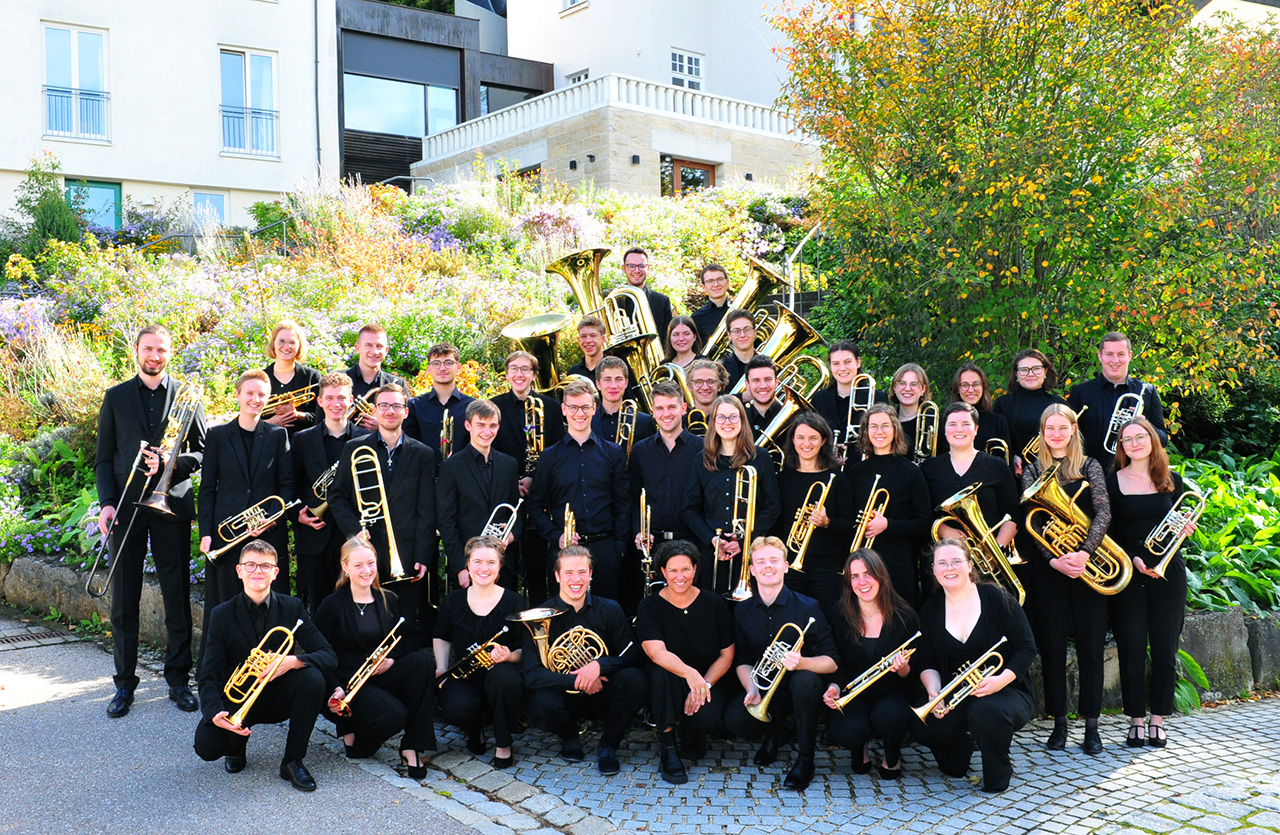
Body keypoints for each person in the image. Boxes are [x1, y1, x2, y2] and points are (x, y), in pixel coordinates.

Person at [94, 324, 206, 718]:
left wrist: (171, 467)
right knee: (124, 598)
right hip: (125, 509)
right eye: (148, 349)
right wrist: (107, 503)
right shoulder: (116, 397)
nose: (154, 356)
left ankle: (178, 680)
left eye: (161, 349)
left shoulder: (188, 396)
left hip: (169, 507)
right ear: (136, 351)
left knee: (176, 594)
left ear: (169, 352)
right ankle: (124, 685)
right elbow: (104, 458)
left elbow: (204, 453)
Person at [194, 540, 336, 792]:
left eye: (265, 566)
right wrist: (214, 711)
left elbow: (328, 655)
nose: (257, 571)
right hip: (238, 699)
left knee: (312, 678)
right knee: (207, 747)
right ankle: (235, 747)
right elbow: (208, 674)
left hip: (277, 696)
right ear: (239, 571)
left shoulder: (292, 608)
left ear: (275, 572)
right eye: (250, 565)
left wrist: (292, 661)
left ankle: (292, 761)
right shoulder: (221, 614)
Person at [1021, 403, 1112, 755]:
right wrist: (1055, 559)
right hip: (1050, 572)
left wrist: (1085, 552)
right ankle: (1059, 723)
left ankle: (1092, 727)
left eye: (1063, 428)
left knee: (1091, 649)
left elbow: (1103, 511)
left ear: (1073, 430)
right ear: (1042, 433)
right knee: (1053, 649)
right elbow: (1031, 520)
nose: (1056, 434)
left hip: (1087, 568)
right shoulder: (1032, 470)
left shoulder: (1090, 466)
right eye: (1050, 429)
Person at [914, 539, 1036, 794]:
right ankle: (963, 746)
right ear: (934, 570)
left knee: (986, 711)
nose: (950, 568)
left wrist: (1000, 680)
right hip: (955, 693)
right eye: (942, 563)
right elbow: (926, 662)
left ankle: (998, 771)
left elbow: (1026, 649)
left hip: (1005, 690)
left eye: (956, 561)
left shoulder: (997, 597)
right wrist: (934, 692)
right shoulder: (930, 610)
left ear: (970, 566)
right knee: (943, 752)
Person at [314, 537, 436, 779]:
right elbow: (319, 651)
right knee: (394, 717)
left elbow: (405, 639)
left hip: (381, 674)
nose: (366, 570)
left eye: (370, 563)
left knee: (423, 661)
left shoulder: (388, 599)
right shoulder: (332, 605)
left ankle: (412, 746)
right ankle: (352, 731)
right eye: (358, 565)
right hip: (349, 683)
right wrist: (336, 688)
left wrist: (392, 660)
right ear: (345, 567)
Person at [1107, 417, 1195, 749]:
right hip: (1129, 574)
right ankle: (1136, 720)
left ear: (1152, 441)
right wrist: (1132, 558)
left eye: (1140, 437)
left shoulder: (1172, 479)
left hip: (1168, 573)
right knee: (1130, 648)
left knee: (1164, 648)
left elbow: (1179, 525)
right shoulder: (1112, 482)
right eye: (1127, 439)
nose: (1134, 443)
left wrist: (1184, 533)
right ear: (1122, 447)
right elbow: (1108, 531)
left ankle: (1158, 718)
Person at [725, 537, 838, 792]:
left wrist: (802, 663)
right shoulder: (742, 610)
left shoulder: (808, 607)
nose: (768, 566)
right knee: (735, 721)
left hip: (800, 687)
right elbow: (742, 660)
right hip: (765, 688)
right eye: (761, 562)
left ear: (786, 566)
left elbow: (832, 661)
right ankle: (776, 732)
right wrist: (752, 689)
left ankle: (805, 760)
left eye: (774, 560)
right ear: (752, 570)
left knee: (805, 680)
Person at [328, 383, 436, 648]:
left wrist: (423, 555)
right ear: (375, 410)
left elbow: (427, 511)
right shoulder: (354, 448)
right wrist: (356, 532)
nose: (390, 411)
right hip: (365, 554)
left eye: (397, 406)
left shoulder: (422, 453)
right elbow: (337, 496)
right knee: (368, 623)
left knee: (405, 624)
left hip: (407, 554)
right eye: (384, 405)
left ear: (406, 412)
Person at [523, 546, 646, 776]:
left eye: (582, 572)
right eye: (568, 573)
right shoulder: (538, 616)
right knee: (540, 703)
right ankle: (569, 737)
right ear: (557, 576)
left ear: (590, 575)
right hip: (563, 697)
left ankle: (608, 745)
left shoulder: (610, 609)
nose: (576, 580)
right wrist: (579, 680)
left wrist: (599, 666)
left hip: (603, 692)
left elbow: (633, 654)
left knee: (635, 680)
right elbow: (531, 674)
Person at [635, 540, 736, 784]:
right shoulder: (650, 606)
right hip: (669, 677)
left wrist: (705, 684)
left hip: (706, 677)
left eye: (686, 569)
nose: (680, 576)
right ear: (662, 572)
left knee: (709, 718)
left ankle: (690, 728)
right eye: (673, 570)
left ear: (695, 570)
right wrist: (690, 674)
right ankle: (668, 745)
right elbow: (656, 652)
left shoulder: (713, 603)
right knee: (660, 675)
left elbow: (727, 653)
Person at [199, 369, 295, 614]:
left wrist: (270, 518)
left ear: (268, 398)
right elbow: (208, 488)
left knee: (271, 604)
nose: (255, 399)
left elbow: (286, 486)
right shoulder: (217, 435)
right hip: (228, 534)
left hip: (268, 533)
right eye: (250, 393)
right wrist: (206, 533)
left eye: (261, 394)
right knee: (226, 602)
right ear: (238, 395)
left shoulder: (278, 435)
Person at [527, 379, 630, 601]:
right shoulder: (549, 457)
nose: (579, 413)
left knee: (606, 615)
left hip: (605, 549)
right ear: (564, 410)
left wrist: (618, 548)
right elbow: (535, 506)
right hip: (563, 552)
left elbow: (623, 502)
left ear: (594, 408)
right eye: (573, 407)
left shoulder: (613, 453)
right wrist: (557, 537)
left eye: (585, 407)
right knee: (565, 618)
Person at [822, 550, 919, 779]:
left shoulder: (904, 616)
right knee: (847, 730)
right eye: (855, 576)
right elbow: (835, 662)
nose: (862, 582)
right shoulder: (838, 615)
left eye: (868, 574)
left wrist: (904, 668)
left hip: (892, 693)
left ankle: (892, 751)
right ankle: (859, 746)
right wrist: (834, 688)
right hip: (853, 692)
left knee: (891, 716)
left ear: (881, 576)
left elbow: (915, 674)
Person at [434, 537, 526, 767]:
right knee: (456, 707)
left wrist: (509, 656)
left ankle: (503, 744)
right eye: (477, 561)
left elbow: (528, 648)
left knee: (503, 677)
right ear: (467, 564)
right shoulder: (453, 601)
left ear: (500, 567)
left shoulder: (514, 601)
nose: (483, 568)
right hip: (465, 677)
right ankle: (475, 731)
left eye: (491, 563)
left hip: (503, 678)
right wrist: (442, 668)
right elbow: (441, 636)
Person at [681, 395, 781, 594]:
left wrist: (745, 542)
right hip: (712, 552)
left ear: (742, 421)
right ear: (714, 422)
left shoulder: (760, 457)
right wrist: (712, 539)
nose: (727, 423)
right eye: (721, 417)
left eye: (733, 417)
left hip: (750, 551)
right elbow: (689, 508)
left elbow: (772, 506)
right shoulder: (702, 459)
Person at [490, 349, 566, 604]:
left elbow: (556, 451)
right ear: (507, 374)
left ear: (534, 375)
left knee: (537, 562)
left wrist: (535, 478)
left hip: (541, 494)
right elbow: (491, 449)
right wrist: (513, 481)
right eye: (514, 368)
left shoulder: (552, 408)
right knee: (506, 561)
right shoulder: (494, 406)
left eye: (525, 369)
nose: (519, 374)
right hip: (505, 493)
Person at [292, 372, 372, 613]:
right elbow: (291, 483)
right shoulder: (302, 439)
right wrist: (297, 513)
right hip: (316, 531)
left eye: (341, 398)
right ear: (319, 401)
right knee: (318, 604)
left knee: (357, 600)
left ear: (351, 401)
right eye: (330, 398)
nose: (336, 404)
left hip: (354, 531)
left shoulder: (366, 439)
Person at [920, 403, 1019, 587]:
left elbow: (1012, 515)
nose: (959, 429)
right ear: (944, 430)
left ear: (976, 430)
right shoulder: (929, 468)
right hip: (942, 562)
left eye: (966, 424)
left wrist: (994, 553)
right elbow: (922, 514)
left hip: (988, 563)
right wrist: (944, 531)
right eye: (952, 424)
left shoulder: (997, 466)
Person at [844, 404, 933, 606]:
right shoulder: (856, 472)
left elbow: (924, 523)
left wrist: (888, 525)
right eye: (873, 426)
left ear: (895, 429)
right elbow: (848, 520)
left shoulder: (911, 472)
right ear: (866, 432)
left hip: (898, 561)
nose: (879, 432)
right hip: (862, 562)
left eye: (885, 426)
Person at [772, 412, 855, 612]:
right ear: (792, 440)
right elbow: (775, 523)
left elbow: (849, 524)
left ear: (823, 441)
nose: (806, 443)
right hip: (789, 566)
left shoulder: (837, 479)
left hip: (827, 569)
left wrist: (827, 522)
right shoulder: (782, 479)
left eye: (813, 438)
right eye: (800, 437)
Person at [437, 399, 522, 590]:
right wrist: (461, 566)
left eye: (492, 426)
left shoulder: (509, 464)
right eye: (480, 425)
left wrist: (511, 535)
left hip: (502, 564)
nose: (487, 431)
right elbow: (446, 521)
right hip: (468, 565)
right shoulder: (451, 467)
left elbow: (516, 512)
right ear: (468, 425)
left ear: (498, 427)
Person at [629, 381, 702, 602]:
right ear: (652, 412)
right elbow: (632, 498)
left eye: (672, 407)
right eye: (659, 408)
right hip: (652, 543)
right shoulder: (640, 450)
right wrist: (638, 531)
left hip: (692, 541)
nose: (666, 413)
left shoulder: (702, 448)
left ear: (684, 408)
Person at [1068, 331, 1169, 471]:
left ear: (1130, 356)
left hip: (1134, 473)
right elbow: (1068, 437)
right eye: (1109, 354)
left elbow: (1163, 440)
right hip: (1089, 473)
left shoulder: (1147, 391)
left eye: (1121, 354)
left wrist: (1146, 427)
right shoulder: (1081, 392)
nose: (1115, 360)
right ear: (1100, 356)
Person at [993, 348, 1068, 478]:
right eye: (1024, 370)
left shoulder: (1060, 404)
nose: (1030, 374)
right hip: (1017, 473)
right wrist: (1012, 457)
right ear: (1016, 374)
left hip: (1056, 472)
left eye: (1036, 368)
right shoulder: (1003, 404)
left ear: (1045, 371)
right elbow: (998, 441)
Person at [811, 340, 886, 462]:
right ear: (830, 366)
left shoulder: (877, 398)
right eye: (836, 363)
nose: (842, 368)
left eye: (847, 362)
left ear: (858, 362)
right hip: (825, 467)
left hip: (864, 468)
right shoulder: (819, 399)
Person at [405, 342, 472, 458]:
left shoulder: (471, 406)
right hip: (424, 473)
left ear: (458, 368)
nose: (442, 368)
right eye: (436, 363)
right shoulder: (414, 406)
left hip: (461, 474)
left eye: (448, 363)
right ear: (429, 369)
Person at [937, 363, 1011, 459]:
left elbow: (1007, 465)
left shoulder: (998, 421)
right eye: (965, 385)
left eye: (976, 384)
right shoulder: (944, 421)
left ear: (983, 387)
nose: (971, 390)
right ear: (958, 389)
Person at [262, 319, 321, 436]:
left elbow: (321, 418)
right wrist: (270, 423)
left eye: (292, 342)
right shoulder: (261, 378)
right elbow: (247, 417)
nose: (286, 347)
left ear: (299, 346)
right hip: (267, 443)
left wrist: (295, 414)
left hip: (303, 444)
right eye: (281, 341)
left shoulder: (312, 377)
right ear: (273, 343)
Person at [343, 323, 407, 431]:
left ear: (386, 351)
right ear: (358, 348)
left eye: (379, 346)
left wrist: (383, 426)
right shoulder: (339, 380)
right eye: (369, 345)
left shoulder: (397, 384)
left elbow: (408, 426)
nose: (374, 351)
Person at [592, 356, 655, 451]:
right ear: (598, 384)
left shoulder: (644, 422)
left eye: (618, 379)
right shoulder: (588, 421)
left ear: (626, 383)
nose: (613, 386)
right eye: (607, 380)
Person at [619, 247, 673, 345]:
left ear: (648, 268)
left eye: (641, 266)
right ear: (624, 268)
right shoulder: (614, 299)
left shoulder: (662, 301)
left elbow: (667, 338)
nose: (637, 270)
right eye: (631, 266)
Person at [889, 363, 934, 462]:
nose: (908, 388)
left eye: (914, 384)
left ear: (923, 389)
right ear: (894, 387)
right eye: (902, 383)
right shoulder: (887, 421)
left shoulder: (934, 421)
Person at [741, 356, 783, 439]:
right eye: (756, 380)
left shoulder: (793, 420)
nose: (763, 386)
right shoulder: (739, 421)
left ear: (776, 382)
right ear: (747, 385)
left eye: (768, 379)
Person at [690, 263, 732, 344]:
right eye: (710, 281)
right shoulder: (696, 319)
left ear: (727, 283)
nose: (716, 284)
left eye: (720, 279)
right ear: (704, 287)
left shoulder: (743, 310)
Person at [719, 308, 758, 390]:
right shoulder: (720, 369)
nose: (742, 335)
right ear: (729, 335)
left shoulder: (770, 365)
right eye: (736, 331)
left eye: (747, 329)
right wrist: (744, 397)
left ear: (755, 332)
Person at [686, 358, 727, 435]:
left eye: (710, 382)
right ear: (690, 386)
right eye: (698, 382)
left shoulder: (731, 420)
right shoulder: (681, 424)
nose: (705, 387)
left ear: (720, 386)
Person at [565, 315, 610, 383]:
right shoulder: (573, 374)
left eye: (593, 336)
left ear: (603, 339)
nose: (588, 340)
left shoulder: (615, 369)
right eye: (583, 336)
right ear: (579, 341)